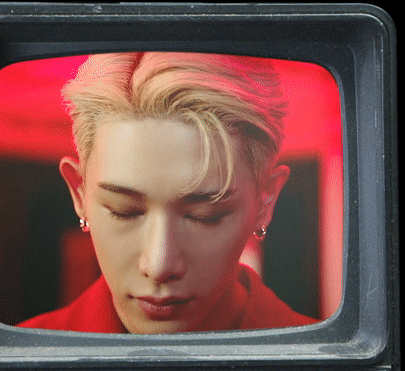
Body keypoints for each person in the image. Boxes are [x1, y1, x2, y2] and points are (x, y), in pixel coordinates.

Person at [18, 52, 317, 334]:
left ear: (265, 201)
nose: (159, 265)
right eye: (124, 211)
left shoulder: (326, 358)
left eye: (204, 216)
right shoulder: (19, 354)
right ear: (79, 194)